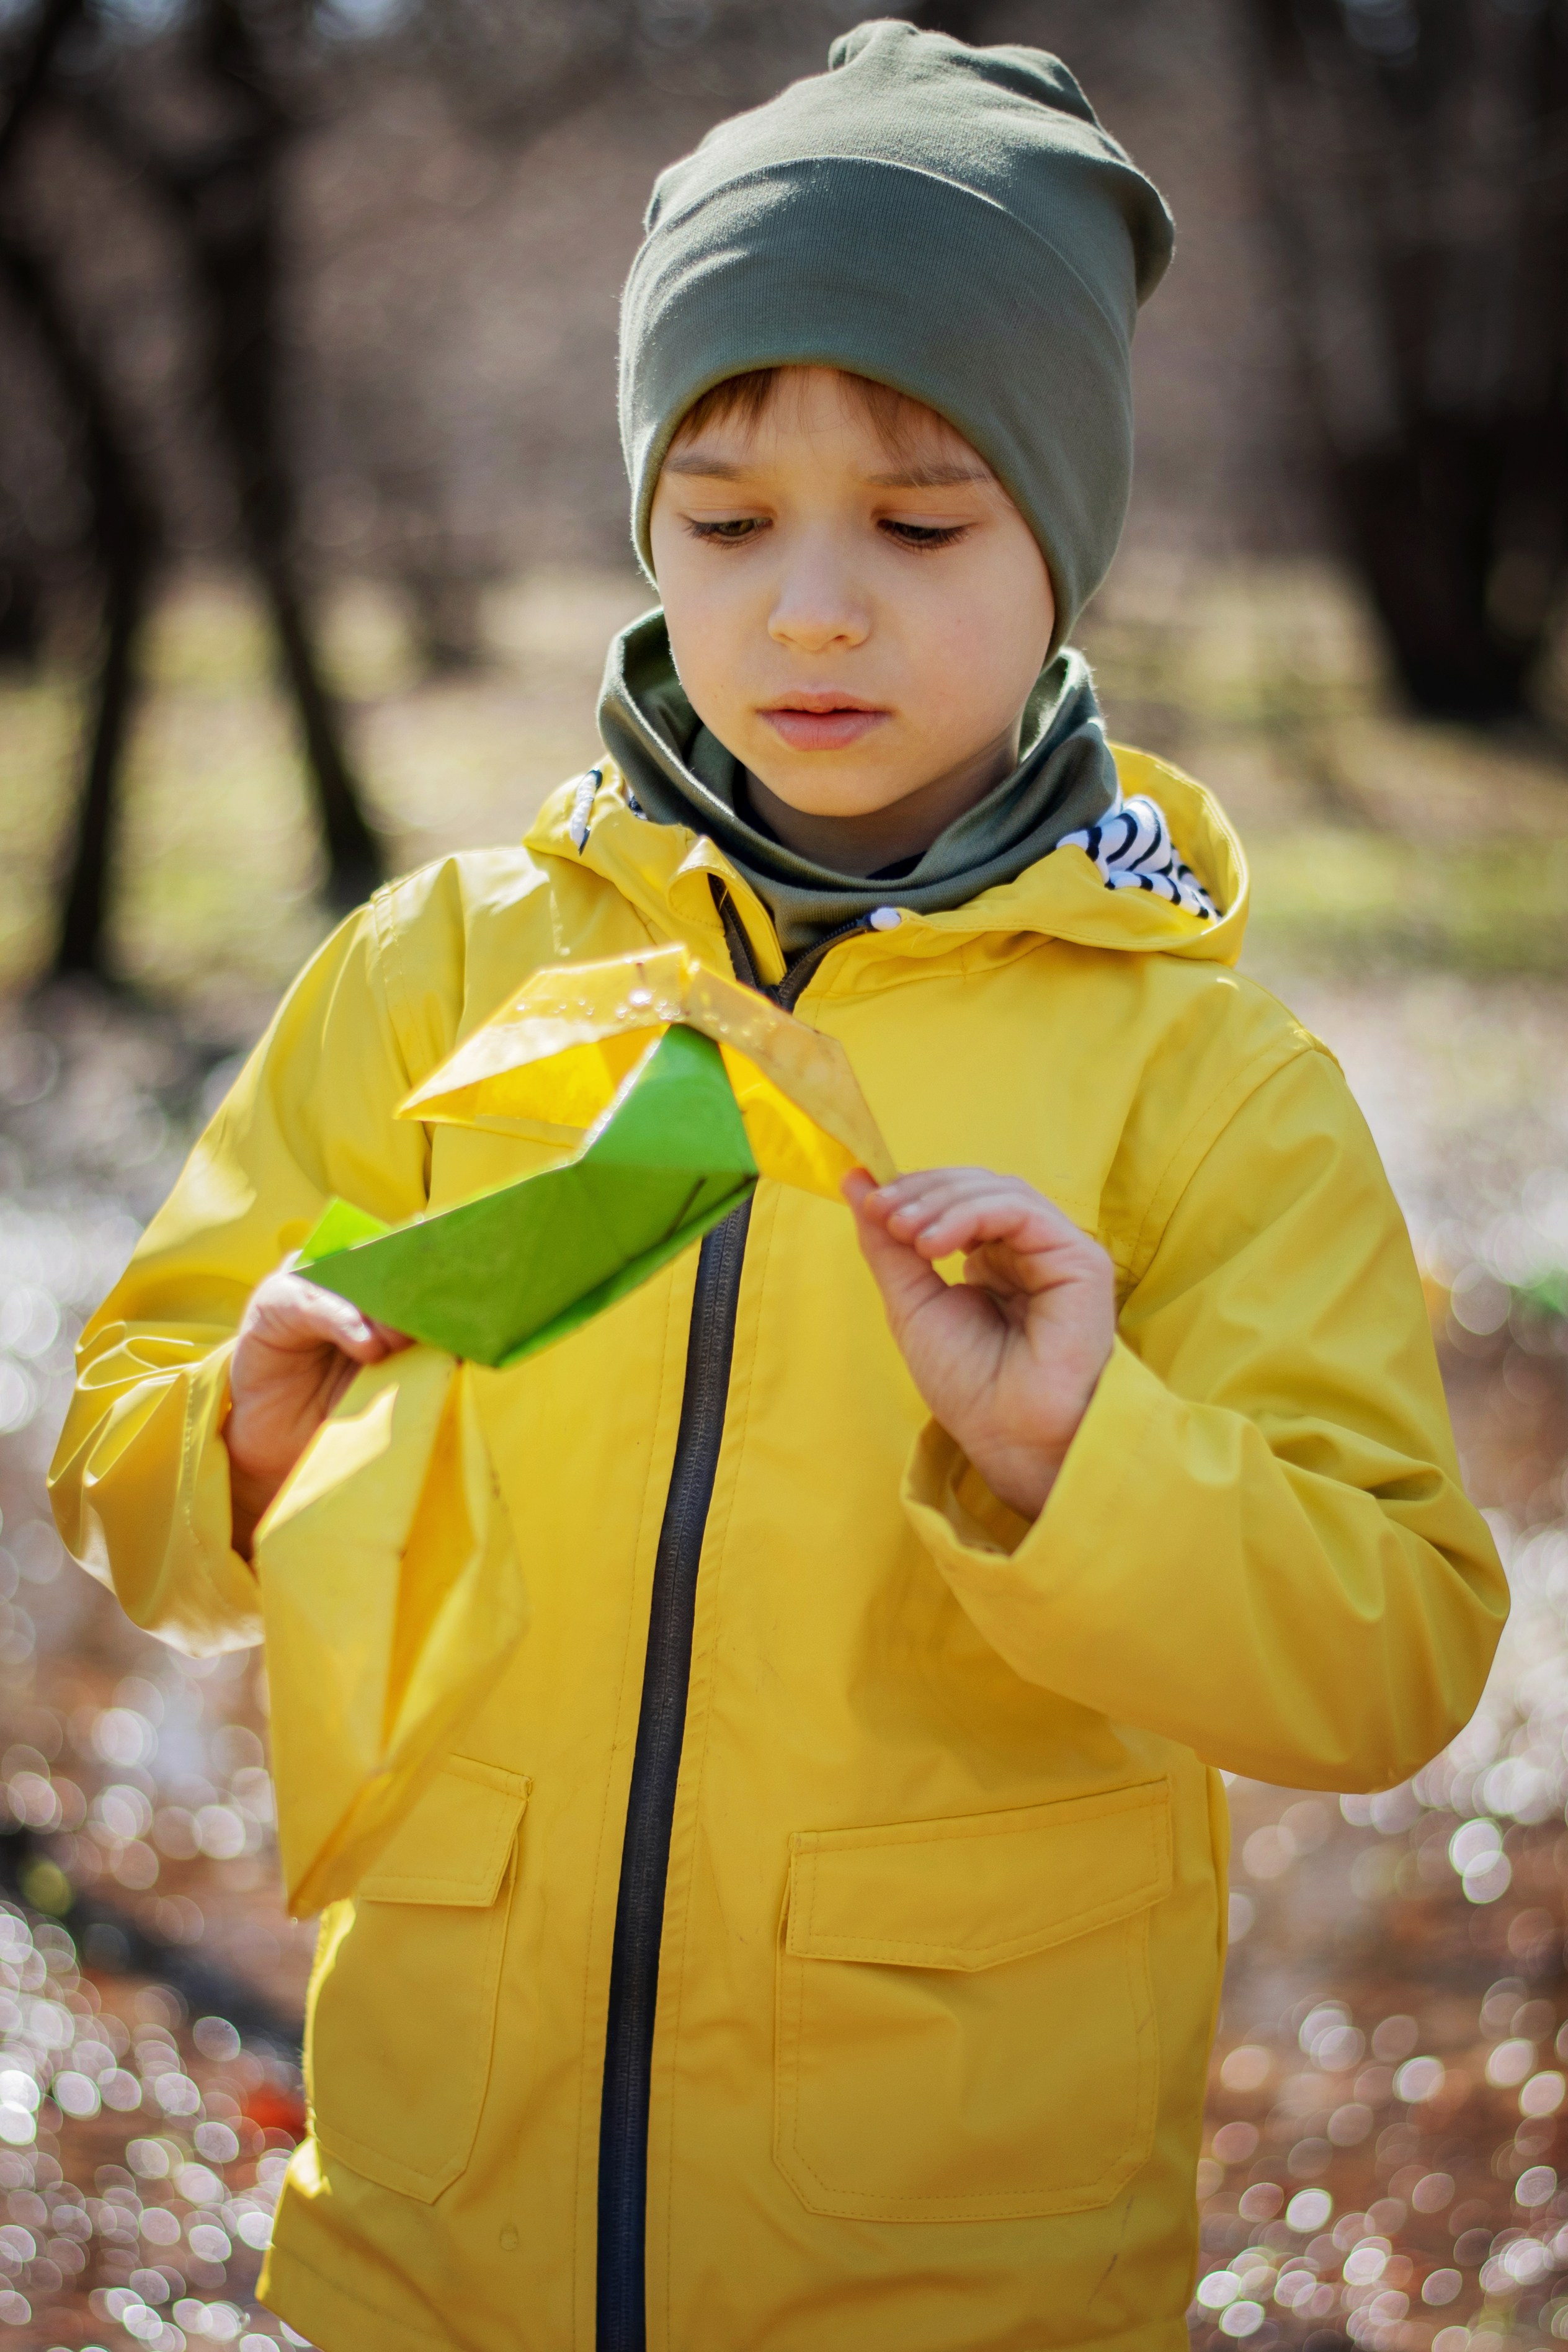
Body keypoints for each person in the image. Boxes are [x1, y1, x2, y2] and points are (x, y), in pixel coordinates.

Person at [50, 22, 1506, 2352]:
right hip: (439, 2228)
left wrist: (1074, 1453)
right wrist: (241, 1431)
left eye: (919, 525)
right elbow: (123, 1450)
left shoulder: (1200, 1080)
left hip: (948, 2256)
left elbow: (1395, 1651)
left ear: (1065, 546)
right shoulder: (437, 979)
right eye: (725, 522)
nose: (810, 609)